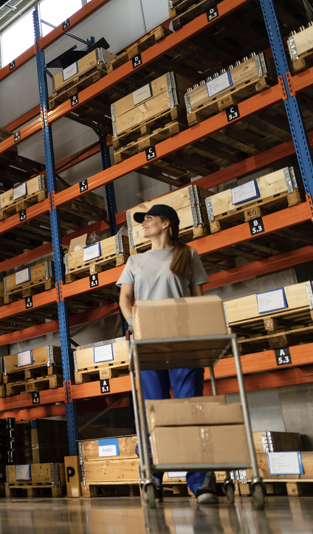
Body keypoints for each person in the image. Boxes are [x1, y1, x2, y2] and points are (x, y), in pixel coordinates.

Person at [116, 204, 217, 505]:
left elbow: (198, 299)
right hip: (148, 344)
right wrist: (136, 323)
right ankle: (152, 476)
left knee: (189, 410)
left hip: (184, 343)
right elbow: (124, 298)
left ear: (166, 223)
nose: (143, 225)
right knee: (153, 412)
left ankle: (199, 481)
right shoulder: (135, 261)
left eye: (149, 219)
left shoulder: (188, 255)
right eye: (142, 221)